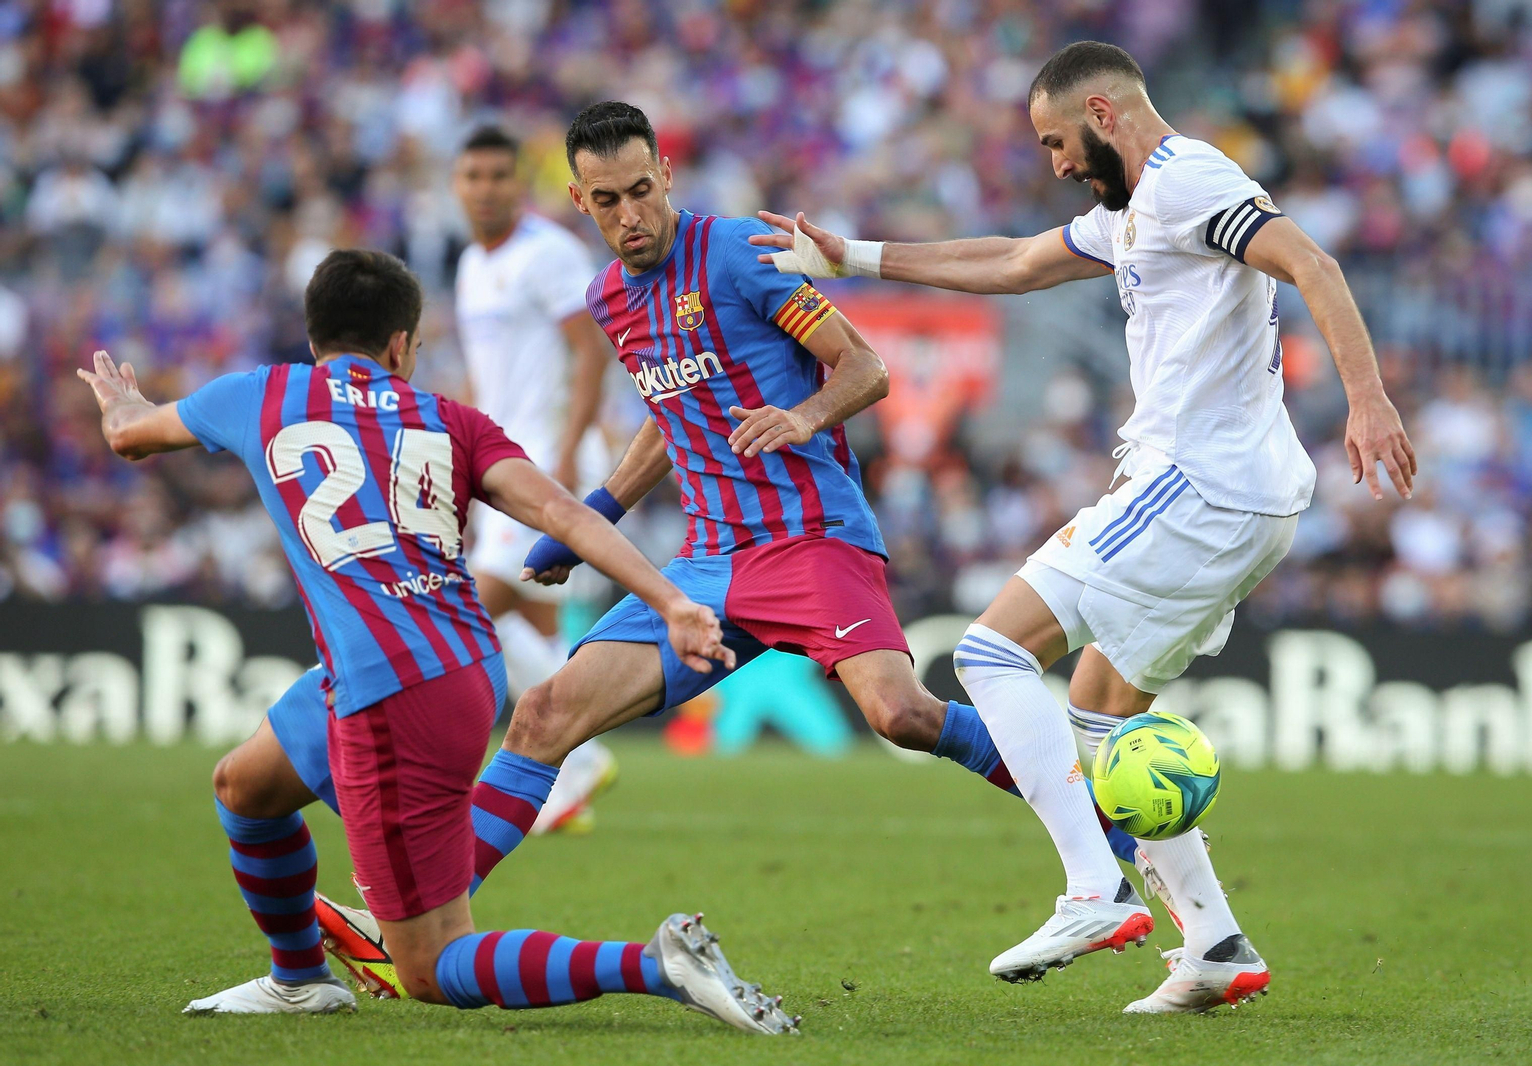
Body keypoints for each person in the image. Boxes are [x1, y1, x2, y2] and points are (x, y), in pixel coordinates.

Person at [315, 100, 1140, 1002]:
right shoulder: (609, 298)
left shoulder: (743, 253)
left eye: (641, 190)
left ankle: (1107, 829)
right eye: (607, 200)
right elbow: (672, 422)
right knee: (543, 715)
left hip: (809, 536)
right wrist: (593, 512)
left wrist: (802, 416)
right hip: (708, 564)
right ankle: (421, 923)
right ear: (579, 200)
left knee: (900, 714)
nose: (630, 215)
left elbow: (864, 365)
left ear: (666, 174)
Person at [750, 41, 1417, 1013]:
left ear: (1103, 114)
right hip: (1240, 498)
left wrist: (1366, 399)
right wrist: (850, 255)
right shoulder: (1135, 209)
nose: (1054, 162)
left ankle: (1091, 888)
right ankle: (1217, 943)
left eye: (1057, 141)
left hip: (1198, 485)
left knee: (986, 650)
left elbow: (1306, 259)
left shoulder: (1191, 182)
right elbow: (1016, 261)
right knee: (1103, 717)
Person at [75, 248, 798, 1034]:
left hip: (389, 693)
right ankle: (300, 980)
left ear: (314, 337)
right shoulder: (451, 418)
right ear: (400, 345)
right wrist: (668, 599)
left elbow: (132, 438)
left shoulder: (259, 393)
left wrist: (122, 404)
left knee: (426, 965)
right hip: (454, 664)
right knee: (246, 786)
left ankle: (658, 965)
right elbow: (564, 514)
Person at [452, 125, 619, 833]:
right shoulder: (469, 265)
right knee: (533, 620)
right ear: (457, 186)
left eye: (499, 174)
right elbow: (486, 376)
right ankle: (578, 760)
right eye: (474, 176)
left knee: (469, 603)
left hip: (540, 459)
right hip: (495, 458)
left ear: (520, 182)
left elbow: (592, 353)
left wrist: (572, 447)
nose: (487, 188)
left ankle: (576, 759)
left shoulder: (549, 254)